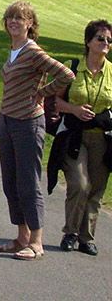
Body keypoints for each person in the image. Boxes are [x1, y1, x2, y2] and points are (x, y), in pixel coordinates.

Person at [0, 0, 74, 260]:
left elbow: (65, 75)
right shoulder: (13, 50)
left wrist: (42, 93)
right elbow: (10, 88)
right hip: (7, 120)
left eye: (20, 18)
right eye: (10, 18)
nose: (14, 22)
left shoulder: (33, 51)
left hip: (28, 122)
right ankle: (21, 236)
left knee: (28, 182)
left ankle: (36, 241)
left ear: (30, 24)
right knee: (10, 181)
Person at [55, 19, 112, 256]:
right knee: (80, 184)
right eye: (100, 38)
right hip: (74, 135)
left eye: (109, 40)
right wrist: (74, 109)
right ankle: (70, 232)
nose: (105, 43)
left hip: (103, 137)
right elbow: (55, 101)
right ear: (88, 42)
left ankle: (86, 238)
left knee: (96, 189)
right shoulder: (72, 67)